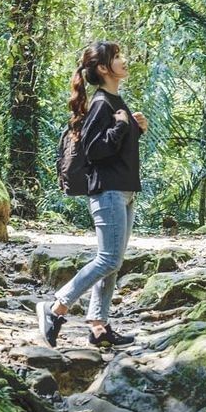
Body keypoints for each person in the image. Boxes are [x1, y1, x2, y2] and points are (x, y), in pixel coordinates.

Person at [37, 41, 147, 349]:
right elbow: (95, 150)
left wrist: (137, 128)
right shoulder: (101, 102)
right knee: (108, 259)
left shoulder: (115, 99)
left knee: (114, 261)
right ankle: (56, 307)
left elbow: (117, 145)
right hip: (108, 192)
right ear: (103, 68)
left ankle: (99, 327)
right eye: (117, 57)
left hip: (124, 192)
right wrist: (121, 126)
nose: (124, 60)